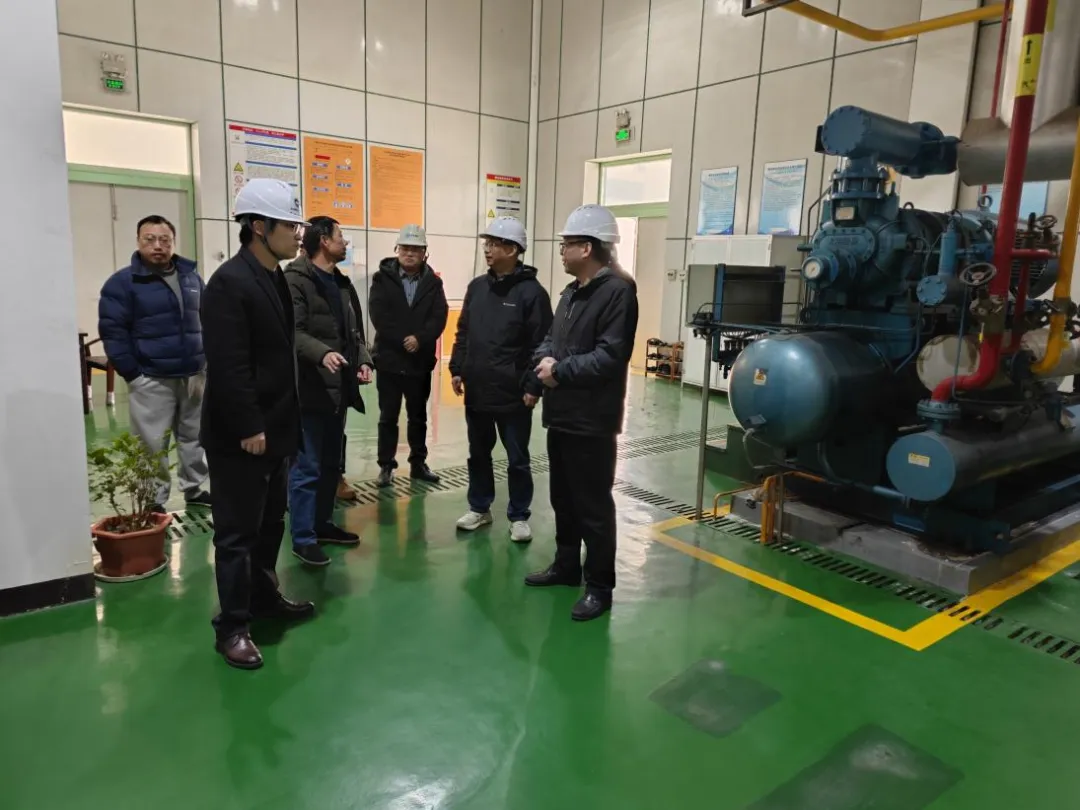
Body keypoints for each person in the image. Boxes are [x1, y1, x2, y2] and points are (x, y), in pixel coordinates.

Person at [200, 178, 314, 670]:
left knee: (270, 523)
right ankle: (231, 627)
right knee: (236, 535)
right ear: (259, 227)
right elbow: (229, 365)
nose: (298, 234)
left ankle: (264, 599)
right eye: (290, 225)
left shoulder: (273, 277)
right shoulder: (229, 283)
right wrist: (249, 426)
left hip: (276, 430)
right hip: (242, 437)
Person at [524, 205, 639, 622]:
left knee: (593, 506)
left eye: (566, 244)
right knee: (563, 498)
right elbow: (550, 339)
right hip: (563, 415)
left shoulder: (618, 292)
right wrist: (543, 364)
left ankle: (600, 586)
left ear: (587, 247)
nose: (561, 251)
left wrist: (560, 371)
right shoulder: (571, 293)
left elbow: (610, 357)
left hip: (592, 420)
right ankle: (567, 565)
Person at [98, 215, 210, 513]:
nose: (158, 246)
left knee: (194, 437)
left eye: (165, 240)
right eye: (150, 239)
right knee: (152, 443)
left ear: (173, 242)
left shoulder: (191, 278)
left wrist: (205, 363)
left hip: (194, 375)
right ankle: (153, 498)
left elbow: (207, 320)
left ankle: (194, 488)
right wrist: (133, 374)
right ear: (138, 241)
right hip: (151, 377)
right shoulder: (123, 283)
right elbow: (113, 332)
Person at [450, 217, 552, 543]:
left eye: (494, 244)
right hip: (478, 389)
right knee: (478, 453)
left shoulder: (532, 293)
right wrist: (457, 367)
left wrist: (534, 386)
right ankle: (479, 507)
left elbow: (543, 345)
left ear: (513, 249)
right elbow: (464, 331)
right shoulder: (477, 288)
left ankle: (519, 515)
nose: (488, 249)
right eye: (487, 243)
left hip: (514, 393)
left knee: (517, 458)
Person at [285, 216, 372, 567]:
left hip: (338, 389)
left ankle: (322, 524)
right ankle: (303, 537)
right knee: (306, 467)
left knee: (330, 465)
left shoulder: (341, 282)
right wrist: (322, 353)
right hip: (309, 389)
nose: (345, 242)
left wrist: (363, 360)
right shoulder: (295, 280)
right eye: (340, 236)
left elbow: (355, 332)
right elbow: (292, 332)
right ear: (323, 240)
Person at [368, 225, 449, 488]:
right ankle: (386, 466)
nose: (409, 253)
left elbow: (439, 316)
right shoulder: (382, 279)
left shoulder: (433, 283)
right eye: (405, 248)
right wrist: (404, 339)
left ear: (424, 253)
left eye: (415, 249)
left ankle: (418, 464)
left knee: (418, 417)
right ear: (397, 250)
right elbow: (378, 314)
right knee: (387, 417)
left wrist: (420, 339)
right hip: (389, 360)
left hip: (418, 363)